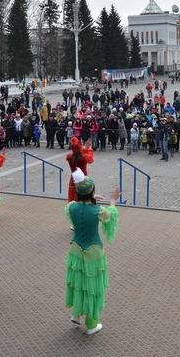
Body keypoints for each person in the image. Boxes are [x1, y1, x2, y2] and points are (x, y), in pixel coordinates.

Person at [65, 168, 120, 335]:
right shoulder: (97, 211)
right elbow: (110, 215)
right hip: (93, 251)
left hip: (75, 249)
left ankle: (76, 313)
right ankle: (91, 324)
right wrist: (112, 200)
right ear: (92, 191)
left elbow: (77, 206)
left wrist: (89, 198)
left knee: (79, 283)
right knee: (93, 287)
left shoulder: (71, 207)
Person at [66, 137, 94, 203]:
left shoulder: (70, 157)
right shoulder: (84, 157)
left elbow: (77, 152)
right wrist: (89, 147)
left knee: (73, 198)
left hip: (73, 179)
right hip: (83, 179)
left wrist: (84, 148)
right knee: (85, 198)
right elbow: (90, 158)